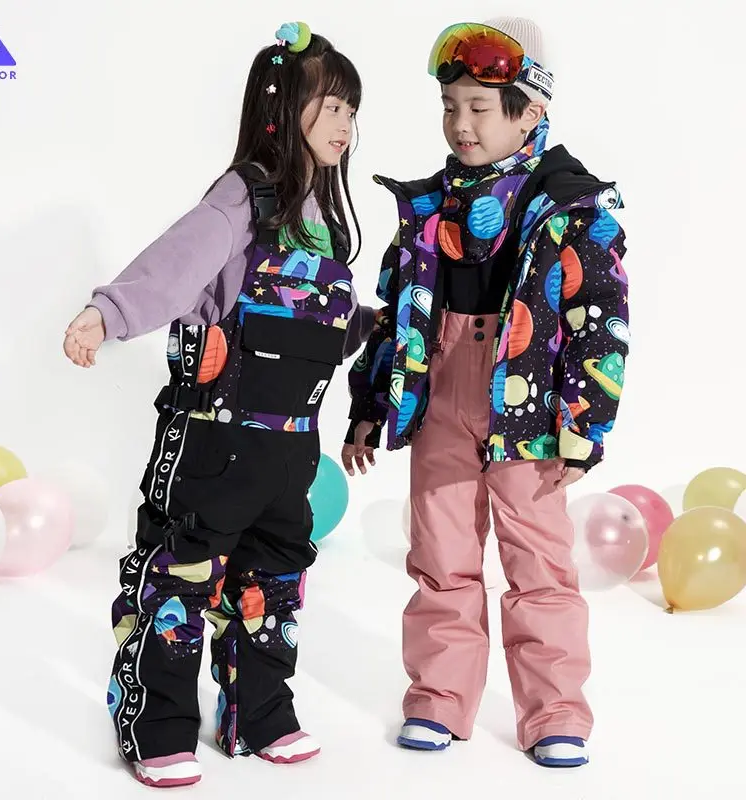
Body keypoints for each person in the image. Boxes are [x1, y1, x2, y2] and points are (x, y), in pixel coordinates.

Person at [63, 21, 374, 787]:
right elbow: (176, 264)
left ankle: (259, 713)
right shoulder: (244, 196)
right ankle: (156, 723)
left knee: (274, 585)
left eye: (352, 110)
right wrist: (108, 313)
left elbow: (319, 330)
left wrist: (377, 328)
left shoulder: (326, 221)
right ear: (282, 107)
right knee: (180, 576)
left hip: (291, 448)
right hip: (215, 439)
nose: (346, 124)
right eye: (332, 105)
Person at [342, 17, 629, 768]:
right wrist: (370, 406)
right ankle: (439, 697)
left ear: (530, 111)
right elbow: (398, 310)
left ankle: (556, 712)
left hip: (528, 405)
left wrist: (586, 423)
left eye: (478, 107)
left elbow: (600, 323)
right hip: (440, 391)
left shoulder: (571, 204)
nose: (460, 125)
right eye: (449, 107)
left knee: (539, 565)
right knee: (440, 555)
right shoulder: (430, 205)